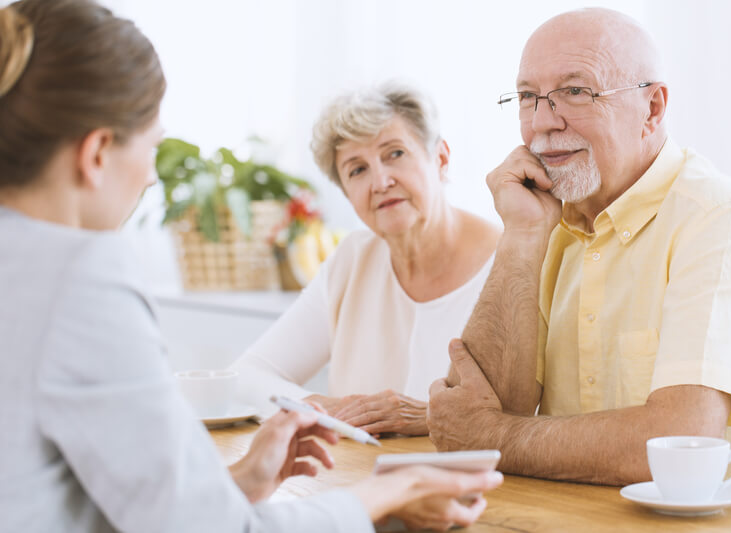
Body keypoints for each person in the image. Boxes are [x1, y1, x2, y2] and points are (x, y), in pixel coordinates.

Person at [0, 1, 503, 531]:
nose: (151, 177)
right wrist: (389, 493)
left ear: (441, 157)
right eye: (151, 149)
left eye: (395, 154)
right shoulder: (81, 280)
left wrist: (240, 482)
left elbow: (135, 506)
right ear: (97, 152)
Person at [426, 7, 731, 496]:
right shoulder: (547, 220)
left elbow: (680, 442)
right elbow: (480, 406)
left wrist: (495, 438)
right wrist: (520, 236)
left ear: (653, 109)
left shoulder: (721, 217)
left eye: (575, 91)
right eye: (527, 97)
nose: (541, 122)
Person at [231, 83, 500, 436]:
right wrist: (331, 409)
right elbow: (245, 377)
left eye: (395, 154)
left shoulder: (511, 259)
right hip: (364, 484)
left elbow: (532, 414)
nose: (381, 181)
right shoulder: (351, 260)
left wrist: (430, 417)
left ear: (441, 159)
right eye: (357, 170)